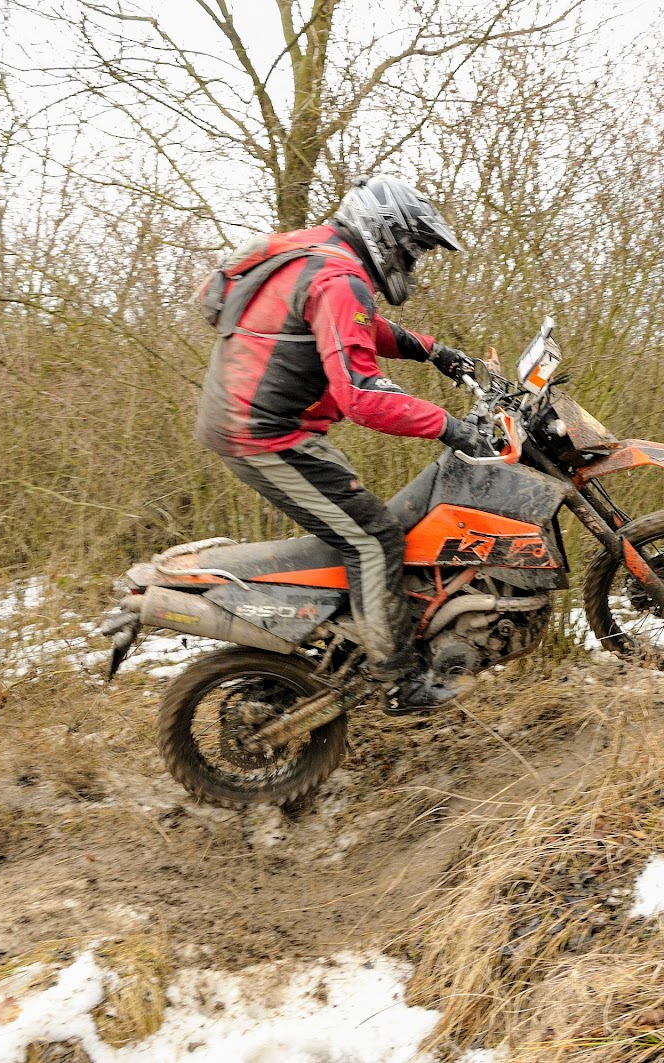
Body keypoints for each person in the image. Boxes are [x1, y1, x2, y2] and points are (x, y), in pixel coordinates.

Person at [194, 175, 492, 711]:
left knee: (362, 521)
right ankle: (397, 680)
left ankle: (359, 632)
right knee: (373, 539)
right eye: (410, 252)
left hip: (263, 425)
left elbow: (357, 327)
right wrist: (451, 427)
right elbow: (361, 395)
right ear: (385, 235)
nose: (410, 265)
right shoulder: (338, 277)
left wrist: (432, 351)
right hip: (263, 436)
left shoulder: (316, 253)